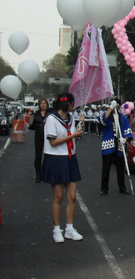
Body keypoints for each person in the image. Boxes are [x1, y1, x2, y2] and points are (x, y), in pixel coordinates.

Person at [39, 93, 85, 243]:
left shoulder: (71, 118)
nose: (74, 106)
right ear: (67, 104)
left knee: (72, 196)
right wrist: (72, 136)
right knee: (58, 197)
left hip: (70, 158)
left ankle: (69, 229)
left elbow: (74, 140)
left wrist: (78, 130)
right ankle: (56, 229)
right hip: (56, 159)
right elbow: (53, 142)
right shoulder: (51, 119)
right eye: (73, 103)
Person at [99, 99, 133, 195]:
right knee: (106, 168)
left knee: (120, 168)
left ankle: (122, 188)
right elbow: (103, 120)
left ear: (118, 106)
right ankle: (104, 188)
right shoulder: (107, 115)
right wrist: (110, 108)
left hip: (119, 145)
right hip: (108, 145)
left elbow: (128, 131)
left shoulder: (123, 118)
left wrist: (125, 139)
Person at [28, 98, 51, 183]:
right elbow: (34, 126)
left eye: (44, 103)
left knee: (48, 154)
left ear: (47, 104)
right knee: (38, 156)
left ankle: (48, 173)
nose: (43, 105)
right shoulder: (37, 115)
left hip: (48, 137)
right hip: (38, 136)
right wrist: (29, 126)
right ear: (39, 105)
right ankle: (38, 173)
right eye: (41, 103)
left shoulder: (50, 114)